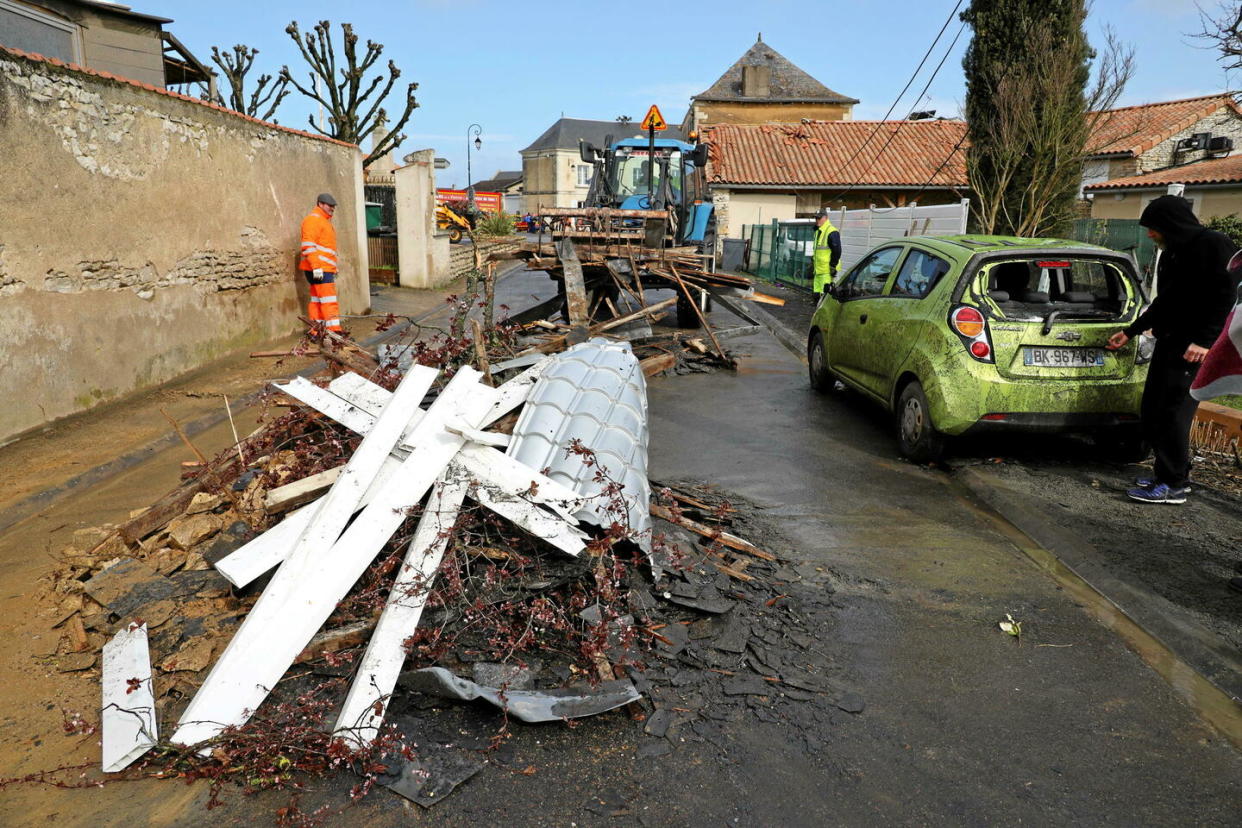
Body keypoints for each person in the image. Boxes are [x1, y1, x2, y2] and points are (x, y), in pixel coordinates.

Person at [1105, 195, 1238, 504]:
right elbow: (1165, 302)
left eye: (1154, 228)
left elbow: (1227, 297)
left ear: (1171, 224)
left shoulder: (1214, 245)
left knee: (1173, 413)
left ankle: (1173, 484)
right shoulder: (1174, 252)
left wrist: (1205, 341)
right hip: (1171, 341)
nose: (1150, 234)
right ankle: (1172, 472)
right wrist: (1130, 331)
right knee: (1153, 408)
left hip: (1196, 347)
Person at [299, 193, 342, 337]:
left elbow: (323, 248)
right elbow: (308, 246)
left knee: (317, 301)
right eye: (330, 205)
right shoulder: (314, 220)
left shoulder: (321, 221)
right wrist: (317, 267)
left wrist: (332, 267)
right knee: (329, 301)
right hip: (319, 269)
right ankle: (335, 334)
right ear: (320, 204)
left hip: (320, 268)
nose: (332, 208)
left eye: (333, 206)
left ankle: (316, 332)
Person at [812, 207, 842, 294]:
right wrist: (812, 262)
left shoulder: (831, 231)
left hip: (827, 271)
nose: (817, 220)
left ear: (825, 218)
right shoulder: (818, 231)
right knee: (817, 294)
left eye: (819, 218)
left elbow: (837, 251)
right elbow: (817, 251)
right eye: (816, 218)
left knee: (825, 295)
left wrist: (832, 266)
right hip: (818, 270)